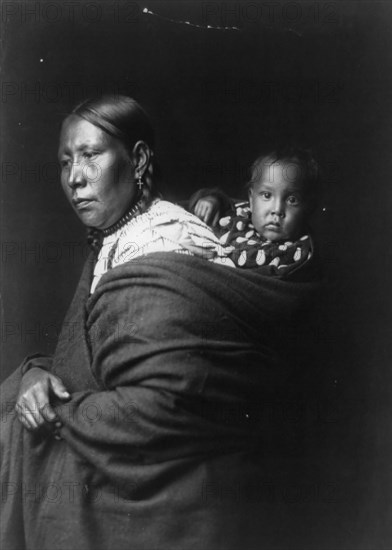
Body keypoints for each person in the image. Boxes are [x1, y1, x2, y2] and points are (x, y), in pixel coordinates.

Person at [1, 97, 320, 550]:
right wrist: (37, 375)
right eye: (66, 162)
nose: (74, 177)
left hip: (174, 494)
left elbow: (159, 408)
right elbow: (88, 363)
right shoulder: (116, 237)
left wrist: (56, 411)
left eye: (91, 156)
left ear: (139, 160)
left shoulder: (164, 242)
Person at [189, 147, 319, 274]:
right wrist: (211, 200)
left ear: (307, 208)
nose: (277, 210)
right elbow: (226, 204)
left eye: (292, 200)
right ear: (251, 199)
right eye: (267, 195)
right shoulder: (242, 213)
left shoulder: (297, 255)